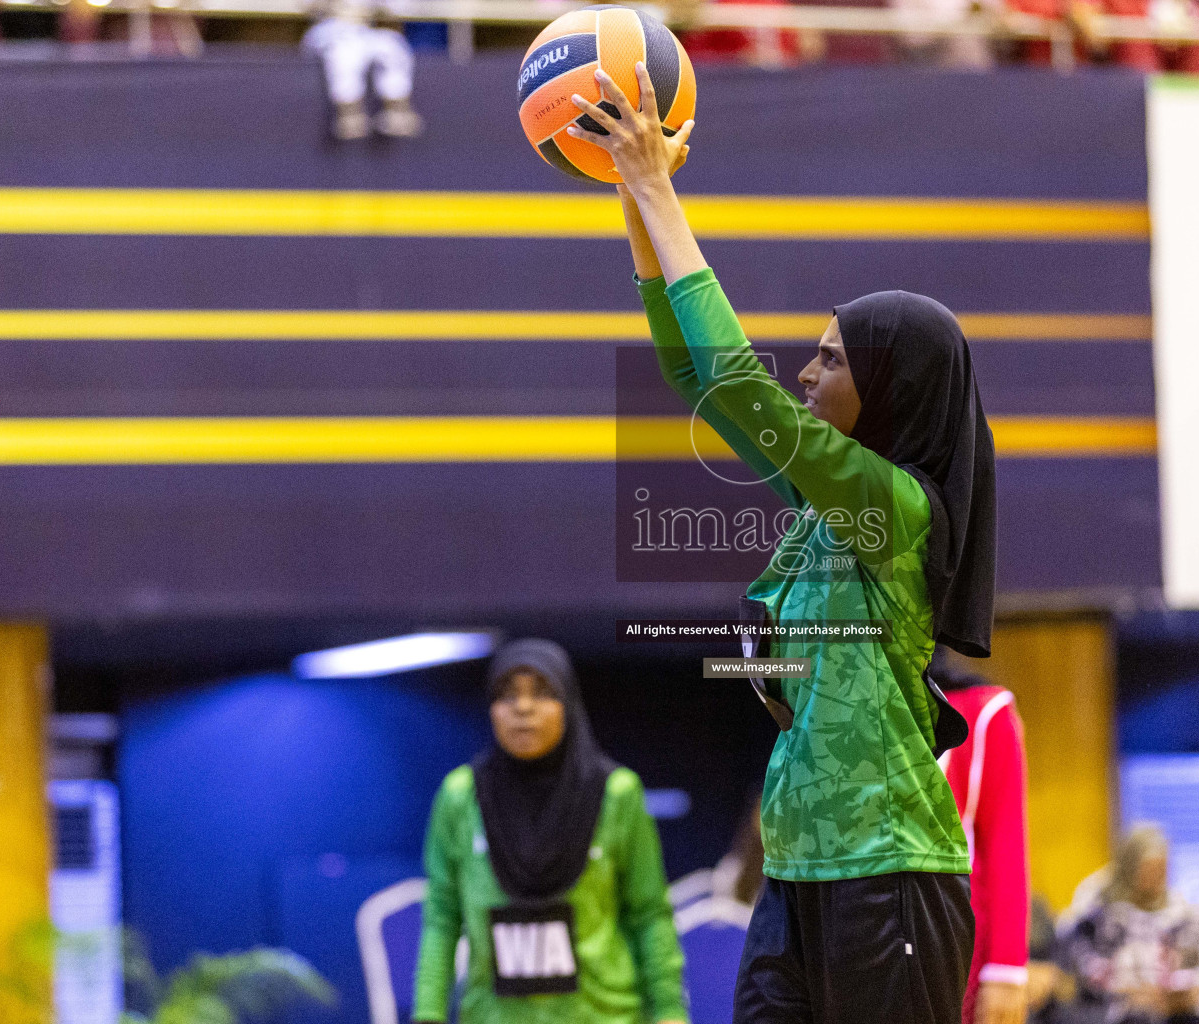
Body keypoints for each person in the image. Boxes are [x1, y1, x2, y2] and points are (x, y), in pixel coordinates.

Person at [569, 61, 997, 1024]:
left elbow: (741, 384)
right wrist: (631, 197)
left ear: (893, 391)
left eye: (833, 357)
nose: (806, 372)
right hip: (798, 867)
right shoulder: (827, 507)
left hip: (891, 871)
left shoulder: (894, 508)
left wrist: (656, 186)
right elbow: (699, 376)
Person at [412, 639, 687, 1024]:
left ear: (568, 703)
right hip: (493, 1017)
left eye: (542, 693)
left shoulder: (616, 792)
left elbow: (649, 914)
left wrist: (670, 1011)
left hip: (604, 1016)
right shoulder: (460, 796)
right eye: (507, 696)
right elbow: (442, 917)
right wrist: (428, 1013)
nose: (523, 708)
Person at [936, 666, 1031, 1024]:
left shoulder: (982, 712)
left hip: (951, 945)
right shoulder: (834, 704)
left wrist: (1007, 970)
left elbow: (1007, 846)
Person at [1066, 827, 1199, 1024]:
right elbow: (1083, 967)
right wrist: (1131, 992)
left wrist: (1191, 991)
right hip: (1116, 1009)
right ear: (1131, 867)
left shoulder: (1182, 915)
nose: (1158, 878)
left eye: (1162, 869)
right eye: (1150, 870)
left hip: (1176, 1009)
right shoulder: (1100, 914)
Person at [303, 0, 422, 141]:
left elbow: (401, 7)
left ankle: (396, 109)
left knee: (393, 45)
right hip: (330, 29)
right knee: (346, 53)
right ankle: (348, 113)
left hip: (366, 30)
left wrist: (374, 11)